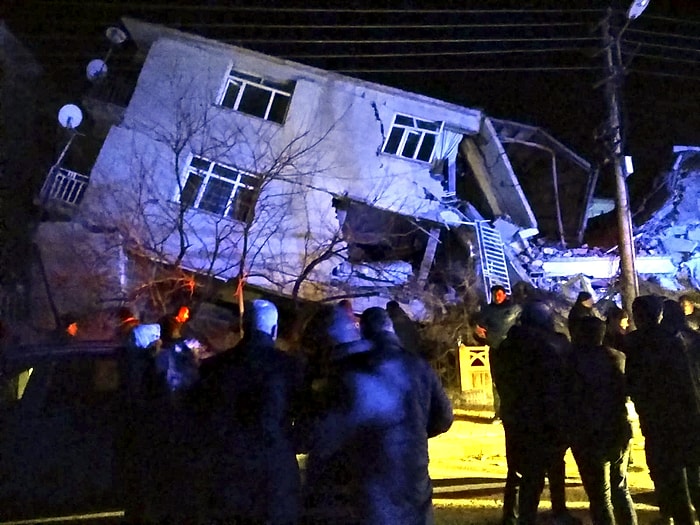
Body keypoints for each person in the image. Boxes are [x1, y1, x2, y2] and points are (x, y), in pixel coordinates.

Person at [300, 306, 453, 525]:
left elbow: (317, 437)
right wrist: (414, 431)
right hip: (413, 480)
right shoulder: (417, 365)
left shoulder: (343, 372)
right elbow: (444, 418)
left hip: (366, 491)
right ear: (391, 330)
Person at [199, 299, 304, 524]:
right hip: (275, 470)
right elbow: (304, 417)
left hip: (229, 469)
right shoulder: (291, 368)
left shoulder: (213, 368)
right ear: (275, 330)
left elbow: (202, 417)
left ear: (243, 326)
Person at [491, 301, 577, 525]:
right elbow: (563, 382)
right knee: (554, 465)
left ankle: (515, 516)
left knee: (519, 470)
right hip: (549, 417)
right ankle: (557, 511)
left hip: (516, 416)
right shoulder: (554, 345)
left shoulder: (507, 346)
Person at [625, 295, 700, 525]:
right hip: (687, 417)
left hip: (659, 419)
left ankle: (676, 516)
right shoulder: (683, 339)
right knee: (691, 473)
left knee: (671, 475)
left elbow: (631, 383)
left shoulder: (636, 343)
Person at [569, 316, 637, 525]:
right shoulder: (618, 357)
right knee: (620, 488)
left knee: (600, 496)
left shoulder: (573, 361)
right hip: (618, 427)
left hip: (589, 432)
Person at [474, 284, 522, 421]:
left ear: (505, 294)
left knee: (514, 380)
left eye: (500, 294)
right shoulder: (487, 311)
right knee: (497, 381)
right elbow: (480, 330)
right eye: (495, 294)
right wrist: (479, 334)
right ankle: (499, 412)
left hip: (512, 350)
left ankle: (515, 411)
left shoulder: (515, 309)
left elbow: (523, 328)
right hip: (495, 350)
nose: (497, 297)